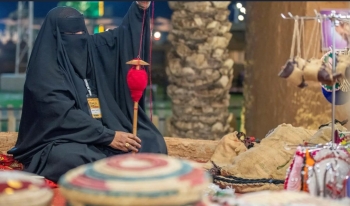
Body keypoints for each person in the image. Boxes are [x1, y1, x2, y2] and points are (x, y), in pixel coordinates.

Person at [8, 1, 167, 183]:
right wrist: (109, 137)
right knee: (73, 158)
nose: (78, 38)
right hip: (62, 139)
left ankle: (122, 172)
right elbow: (62, 115)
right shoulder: (44, 69)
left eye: (81, 32)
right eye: (70, 34)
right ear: (56, 37)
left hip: (103, 130)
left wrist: (139, 8)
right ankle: (121, 174)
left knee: (151, 141)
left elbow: (120, 38)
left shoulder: (89, 48)